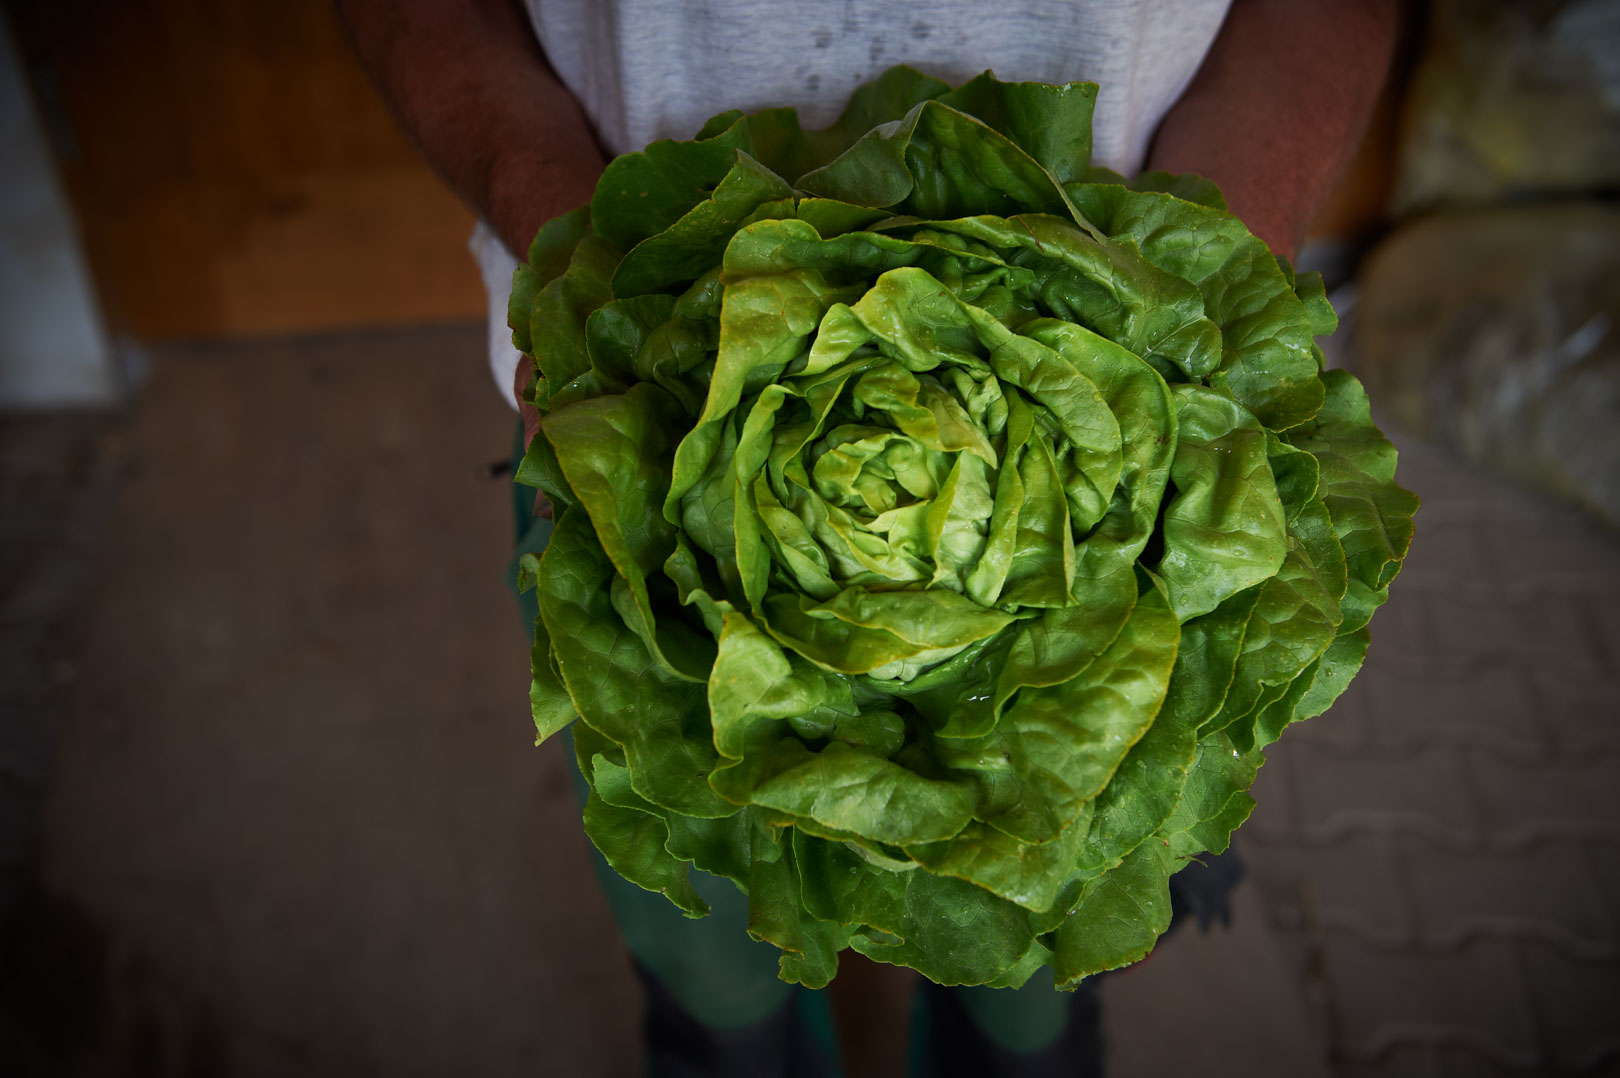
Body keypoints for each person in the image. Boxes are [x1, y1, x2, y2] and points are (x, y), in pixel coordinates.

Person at [336, 2, 1396, 1074]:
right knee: (701, 957)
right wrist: (574, 249)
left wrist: (1213, 265)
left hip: (1122, 361)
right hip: (631, 439)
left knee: (1032, 986)